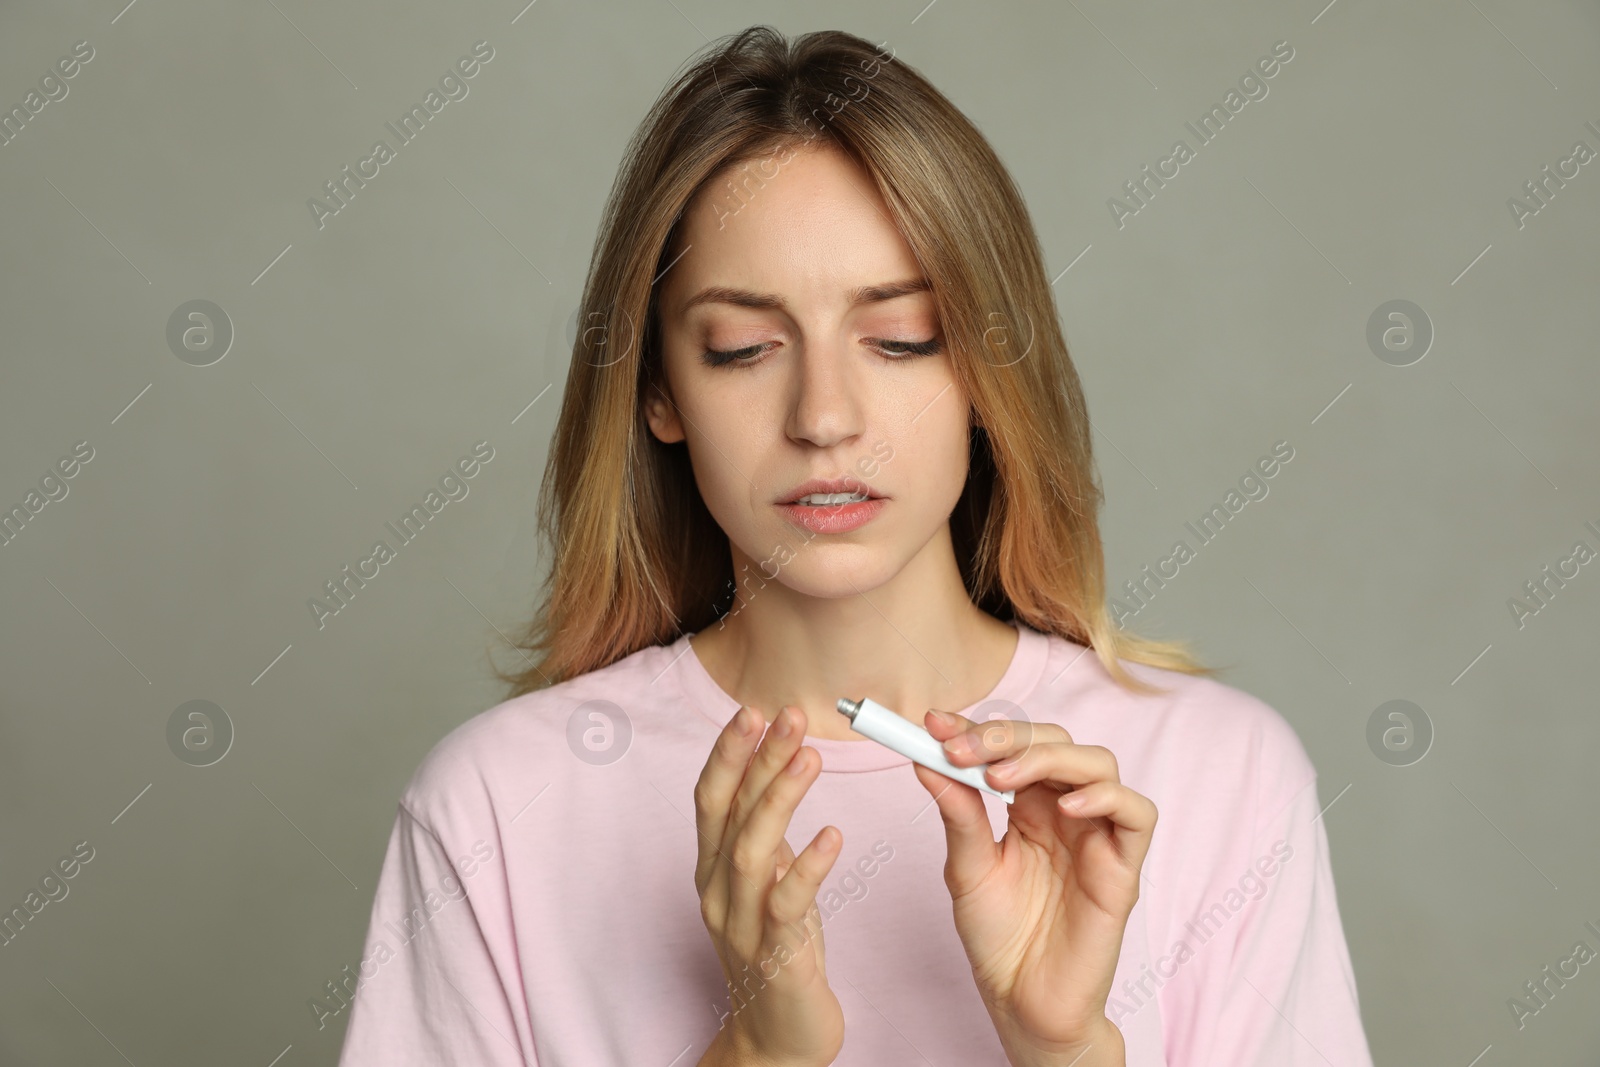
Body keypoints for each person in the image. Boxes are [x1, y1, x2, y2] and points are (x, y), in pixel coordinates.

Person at [334, 25, 1374, 1067]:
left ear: (984, 373)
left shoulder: (1213, 774)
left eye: (902, 337)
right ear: (658, 389)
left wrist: (1065, 1048)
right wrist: (756, 1053)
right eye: (743, 349)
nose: (824, 416)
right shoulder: (495, 809)